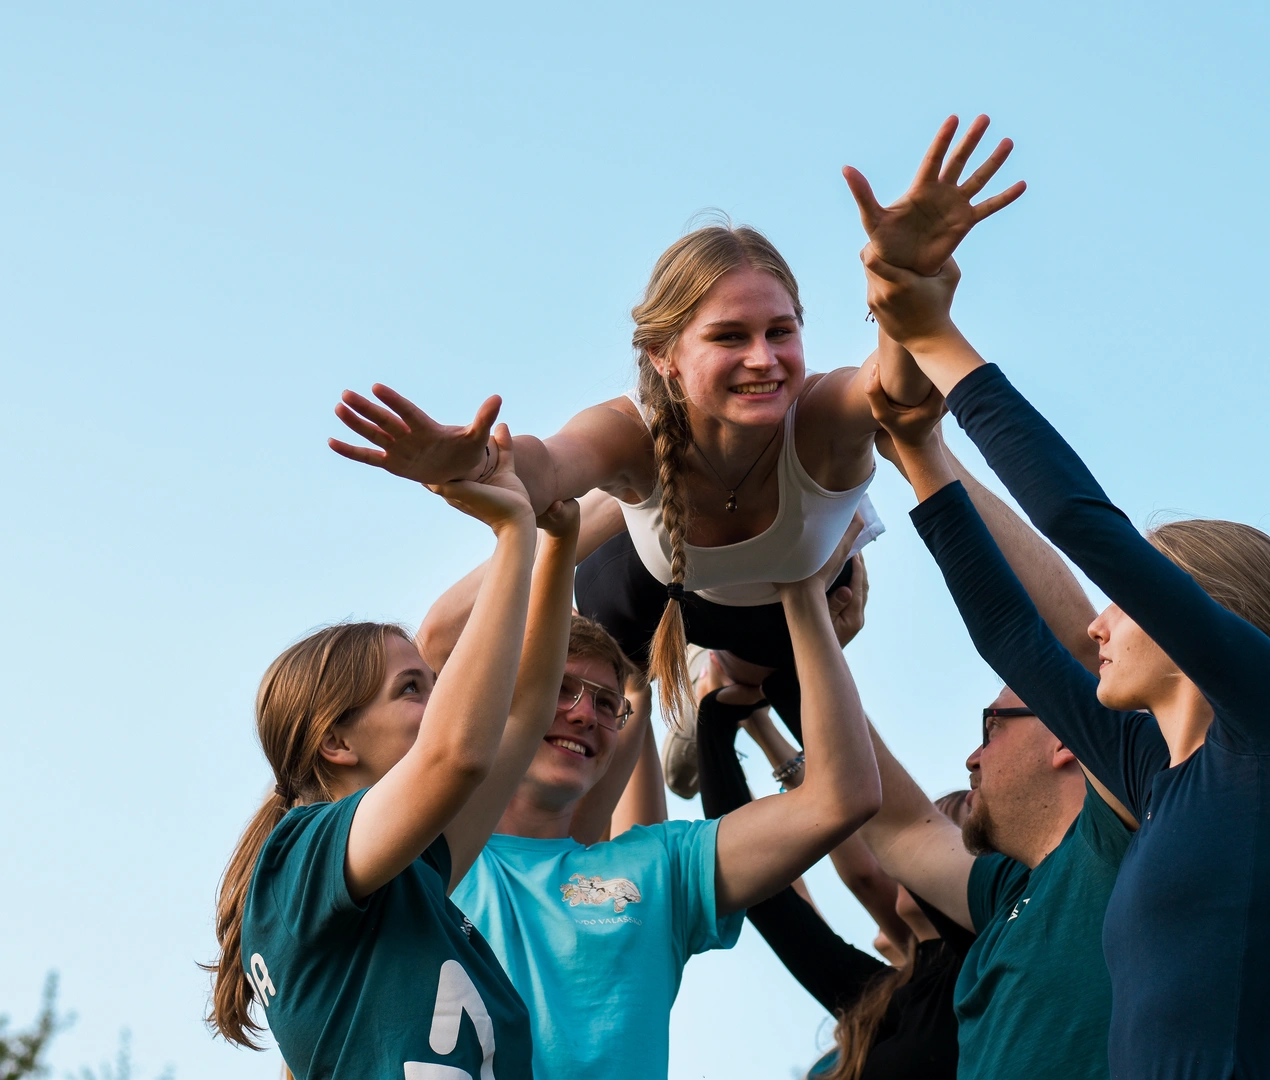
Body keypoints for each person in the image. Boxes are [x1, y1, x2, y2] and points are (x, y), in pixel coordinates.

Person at [857, 214, 1270, 1075]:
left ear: (1193, 614)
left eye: (1123, 601)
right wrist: (921, 460)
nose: (1097, 623)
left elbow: (1081, 522)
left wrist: (934, 336)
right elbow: (1013, 636)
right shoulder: (1158, 780)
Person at [326, 115, 1025, 733]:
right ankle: (665, 654)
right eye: (729, 337)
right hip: (657, 572)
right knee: (492, 638)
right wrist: (480, 468)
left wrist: (908, 292)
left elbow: (894, 387)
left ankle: (717, 689)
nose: (764, 359)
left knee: (765, 681)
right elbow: (547, 463)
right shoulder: (625, 430)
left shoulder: (821, 415)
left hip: (792, 600)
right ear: (663, 355)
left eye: (781, 331)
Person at [205, 425, 580, 1079]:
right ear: (336, 741)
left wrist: (558, 543)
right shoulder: (299, 857)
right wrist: (513, 533)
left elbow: (521, 719)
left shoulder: (413, 876)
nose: (441, 706)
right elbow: (457, 752)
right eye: (413, 689)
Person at [442, 523, 882, 1079]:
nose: (585, 714)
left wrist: (803, 597)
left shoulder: (656, 865)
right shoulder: (423, 852)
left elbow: (843, 797)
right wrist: (577, 505)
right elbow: (439, 640)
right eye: (560, 688)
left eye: (607, 704)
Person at [695, 678, 974, 1080]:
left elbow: (876, 848)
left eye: (942, 834)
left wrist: (787, 679)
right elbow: (763, 900)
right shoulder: (883, 995)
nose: (915, 856)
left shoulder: (982, 965)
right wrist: (716, 717)